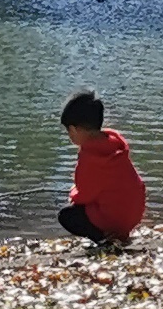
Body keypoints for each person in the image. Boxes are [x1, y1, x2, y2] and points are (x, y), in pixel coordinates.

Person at [57, 90, 145, 244]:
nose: (70, 136)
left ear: (76, 129)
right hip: (133, 214)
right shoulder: (114, 144)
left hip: (114, 217)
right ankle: (118, 234)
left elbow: (83, 196)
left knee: (66, 216)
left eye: (69, 132)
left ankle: (105, 238)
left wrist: (72, 193)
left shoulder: (89, 157)